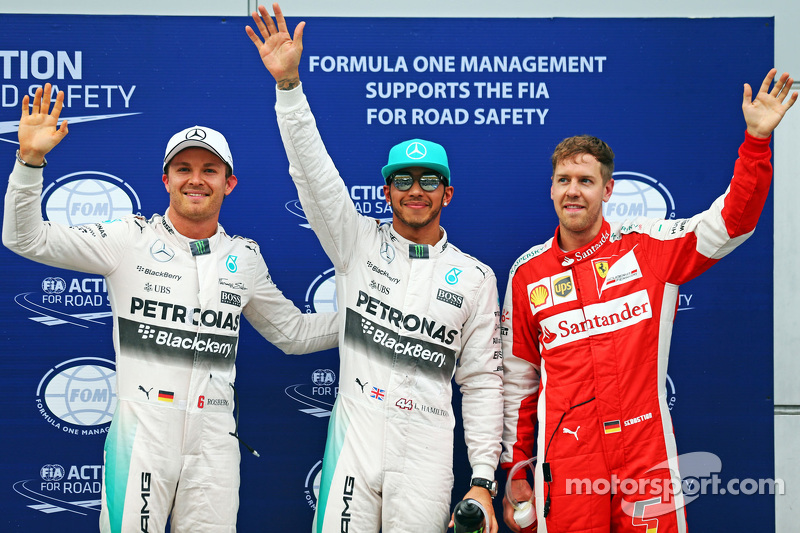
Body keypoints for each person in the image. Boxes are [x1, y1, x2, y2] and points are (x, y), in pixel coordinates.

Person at [2, 84, 339, 533]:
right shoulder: (128, 239)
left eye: (209, 170)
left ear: (229, 182)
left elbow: (293, 334)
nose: (195, 179)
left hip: (215, 441)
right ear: (166, 179)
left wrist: (366, 318)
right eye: (183, 168)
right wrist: (29, 162)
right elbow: (24, 238)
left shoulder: (244, 257)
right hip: (141, 437)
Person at [500, 69, 797, 532]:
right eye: (563, 180)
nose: (572, 191)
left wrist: (756, 141)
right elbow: (519, 386)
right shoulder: (527, 274)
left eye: (585, 180)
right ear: (552, 187)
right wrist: (516, 468)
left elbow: (731, 223)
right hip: (568, 462)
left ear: (608, 189)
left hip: (646, 455)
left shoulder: (649, 248)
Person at [245, 4, 504, 532]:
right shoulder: (356, 241)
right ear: (385, 191)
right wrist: (289, 87)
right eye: (403, 180)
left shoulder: (476, 277)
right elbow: (313, 176)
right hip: (352, 449)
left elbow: (481, 381)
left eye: (428, 181)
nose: (415, 190)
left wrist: (482, 475)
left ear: (447, 194)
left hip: (427, 453)